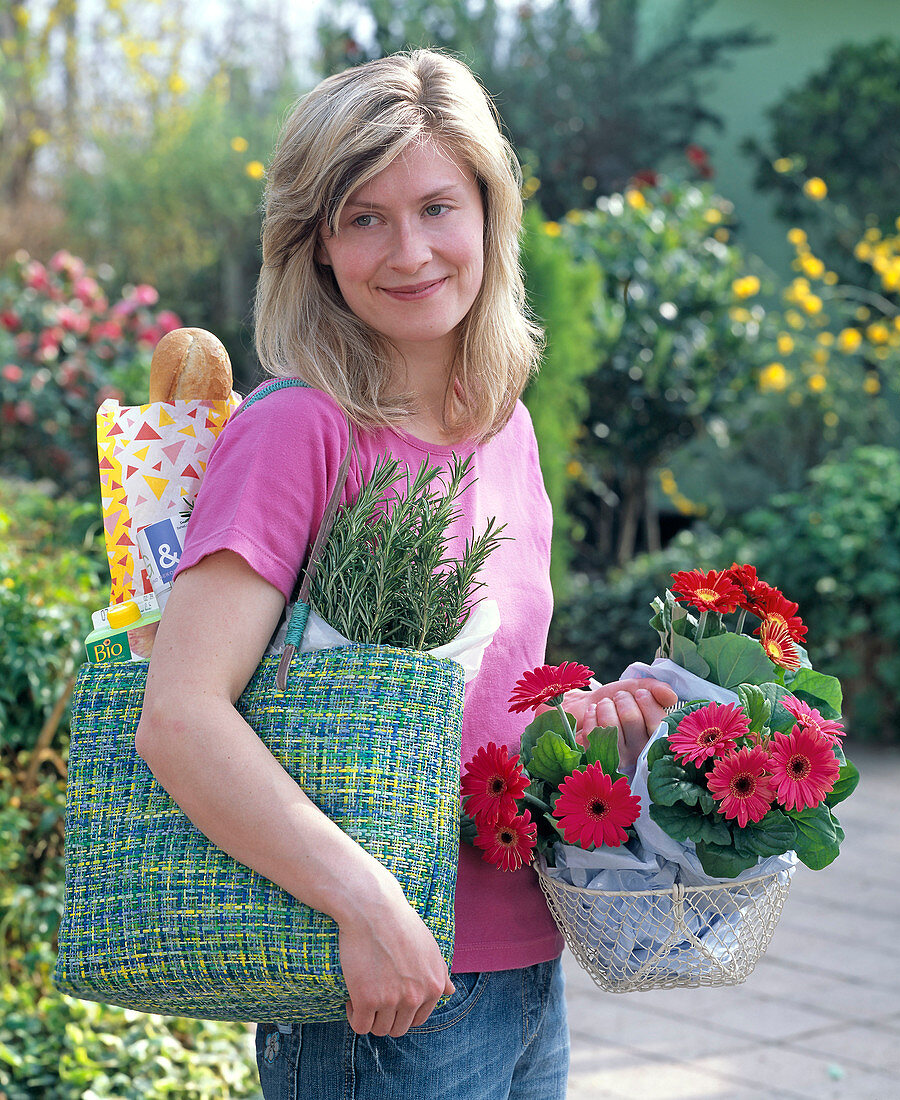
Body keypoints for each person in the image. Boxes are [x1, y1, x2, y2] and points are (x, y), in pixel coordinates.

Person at [135, 49, 677, 1100]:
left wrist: (585, 716)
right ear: (317, 248)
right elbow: (181, 715)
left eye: (436, 205)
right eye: (363, 218)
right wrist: (366, 903)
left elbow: (479, 692)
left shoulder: (503, 428)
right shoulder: (297, 430)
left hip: (522, 961)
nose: (410, 250)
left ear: (487, 211)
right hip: (377, 989)